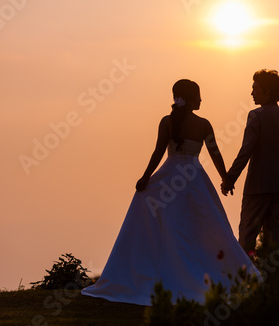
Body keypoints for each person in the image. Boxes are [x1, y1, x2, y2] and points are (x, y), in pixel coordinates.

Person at [82, 79, 260, 305]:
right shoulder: (203, 124)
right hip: (194, 178)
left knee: (170, 224)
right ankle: (203, 270)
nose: (201, 99)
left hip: (169, 178)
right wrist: (225, 178)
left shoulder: (167, 121)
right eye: (198, 95)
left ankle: (161, 267)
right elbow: (215, 154)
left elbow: (158, 152)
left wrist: (146, 177)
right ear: (190, 98)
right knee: (203, 225)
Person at [221, 69, 279, 257]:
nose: (252, 93)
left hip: (257, 188)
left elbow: (246, 150)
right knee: (274, 243)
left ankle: (244, 279)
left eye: (255, 89)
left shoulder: (255, 116)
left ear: (267, 92)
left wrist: (230, 178)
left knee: (247, 238)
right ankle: (271, 283)